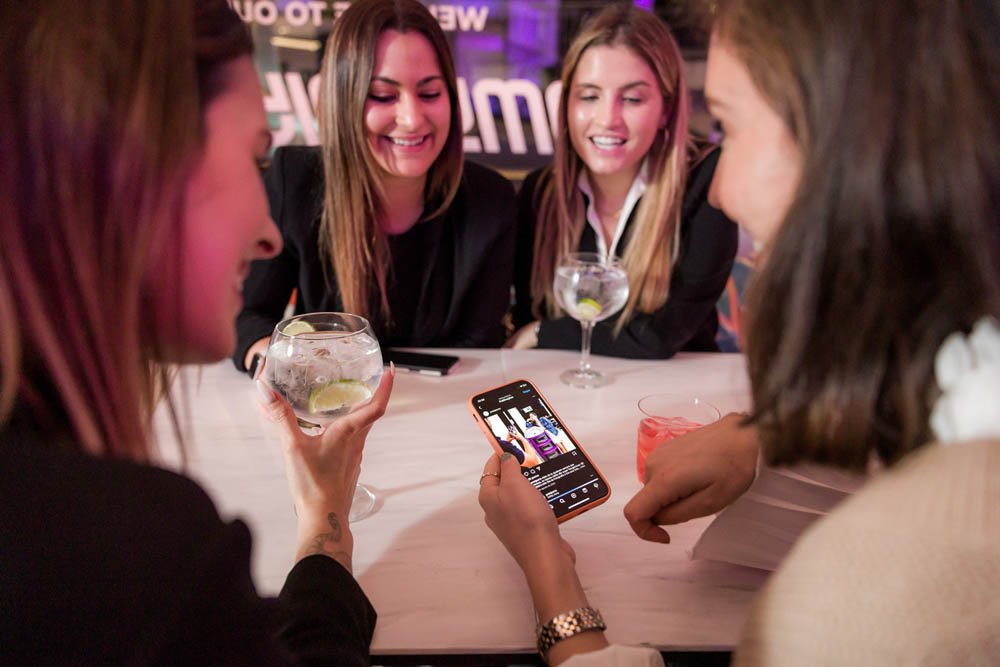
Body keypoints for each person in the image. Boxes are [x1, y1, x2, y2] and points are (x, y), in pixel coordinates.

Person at [479, 0, 1000, 663]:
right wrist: (768, 443)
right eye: (589, 96)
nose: (720, 188)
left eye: (726, 124)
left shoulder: (867, 609)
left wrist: (548, 568)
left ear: (851, 146)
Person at [0, 1, 393, 663]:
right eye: (250, 159)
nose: (270, 236)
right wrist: (326, 531)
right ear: (135, 169)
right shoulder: (140, 551)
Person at [234, 0, 516, 374]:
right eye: (383, 96)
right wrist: (277, 367)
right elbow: (248, 315)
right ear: (343, 100)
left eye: (430, 93)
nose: (412, 119)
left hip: (443, 415)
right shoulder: (295, 180)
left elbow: (480, 350)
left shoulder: (491, 200)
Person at [507, 4, 738, 359]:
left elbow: (661, 335)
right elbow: (527, 317)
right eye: (589, 96)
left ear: (665, 109)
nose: (607, 119)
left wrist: (544, 333)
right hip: (565, 392)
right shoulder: (541, 191)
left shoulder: (707, 182)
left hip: (676, 398)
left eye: (631, 98)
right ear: (566, 105)